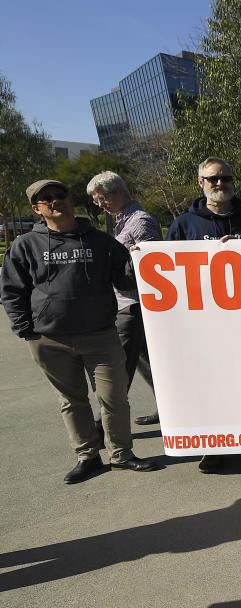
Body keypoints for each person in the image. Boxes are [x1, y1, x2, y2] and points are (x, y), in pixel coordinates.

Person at [0, 179, 159, 483]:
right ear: (37, 208)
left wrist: (140, 261)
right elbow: (11, 290)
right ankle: (88, 457)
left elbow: (125, 280)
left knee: (114, 399)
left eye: (60, 195)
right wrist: (25, 329)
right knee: (72, 401)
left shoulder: (99, 241)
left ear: (70, 201)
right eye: (46, 199)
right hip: (49, 339)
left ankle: (122, 455)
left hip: (101, 334)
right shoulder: (25, 245)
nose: (55, 201)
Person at [167, 157, 241, 473]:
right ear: (200, 183)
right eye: (212, 179)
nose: (219, 184)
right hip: (204, 326)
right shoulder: (184, 226)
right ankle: (213, 446)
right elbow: (167, 271)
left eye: (224, 178)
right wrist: (141, 256)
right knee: (211, 385)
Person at [86, 171, 162, 426]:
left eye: (102, 198)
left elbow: (153, 268)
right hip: (128, 304)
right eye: (97, 201)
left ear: (119, 191)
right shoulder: (124, 222)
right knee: (148, 364)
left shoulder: (140, 222)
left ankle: (99, 428)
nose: (100, 204)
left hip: (135, 306)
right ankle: (167, 408)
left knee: (117, 371)